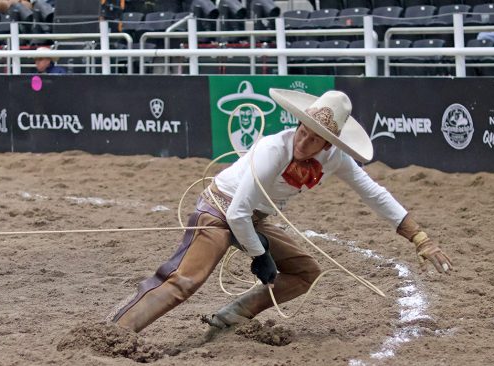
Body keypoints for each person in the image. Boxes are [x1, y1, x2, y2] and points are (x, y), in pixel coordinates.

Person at [108, 89, 452, 333]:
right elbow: (237, 211)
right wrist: (260, 255)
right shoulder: (274, 148)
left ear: (329, 145)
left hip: (252, 218)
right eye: (303, 131)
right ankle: (115, 331)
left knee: (305, 273)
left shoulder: (338, 161)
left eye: (314, 138)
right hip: (219, 210)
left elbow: (375, 194)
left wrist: (419, 237)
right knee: (185, 281)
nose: (303, 142)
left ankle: (234, 314)